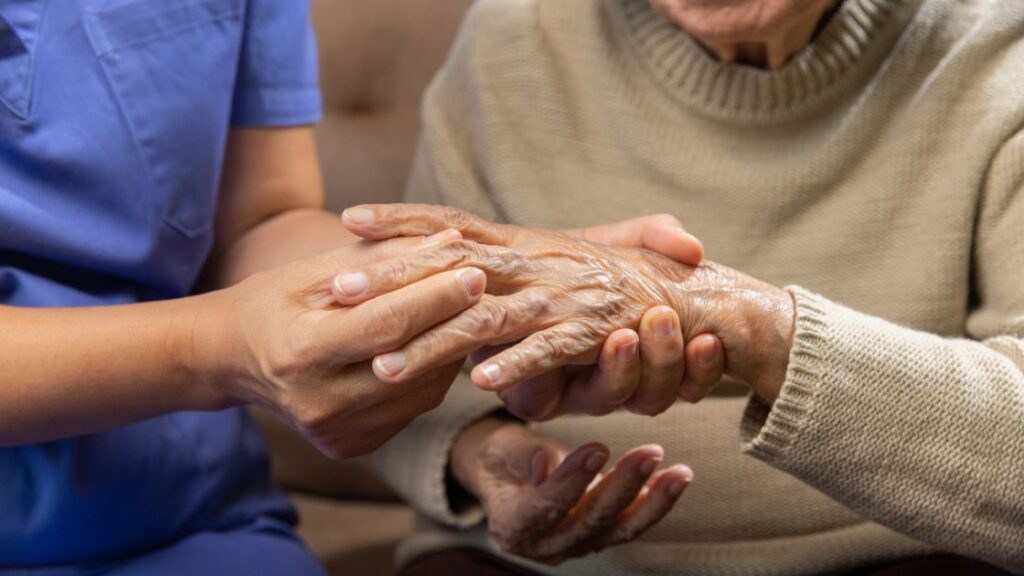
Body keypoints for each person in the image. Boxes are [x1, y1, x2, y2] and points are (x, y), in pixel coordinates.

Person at [0, 1, 711, 573]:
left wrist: (484, 270)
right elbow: (226, 336)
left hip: (186, 518)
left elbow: (259, 221)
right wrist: (215, 348)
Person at [352, 0, 1024, 574]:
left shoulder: (999, 45)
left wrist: (749, 326)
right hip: (525, 565)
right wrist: (483, 458)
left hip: (903, 555)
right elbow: (403, 379)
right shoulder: (512, 35)